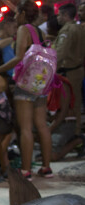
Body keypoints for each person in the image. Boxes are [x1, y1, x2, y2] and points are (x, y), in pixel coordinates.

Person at [0, 0, 54, 180]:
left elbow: (19, 58)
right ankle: (46, 167)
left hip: (25, 84)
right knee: (42, 125)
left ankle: (26, 170)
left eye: (16, 14)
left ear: (21, 14)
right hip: (41, 84)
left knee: (26, 128)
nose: (15, 18)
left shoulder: (24, 30)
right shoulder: (40, 31)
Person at [55, 2, 85, 134]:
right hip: (78, 69)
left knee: (68, 104)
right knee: (77, 104)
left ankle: (72, 135)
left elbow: (60, 53)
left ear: (65, 15)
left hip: (69, 72)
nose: (57, 18)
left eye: (59, 15)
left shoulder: (67, 30)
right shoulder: (79, 28)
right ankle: (76, 133)